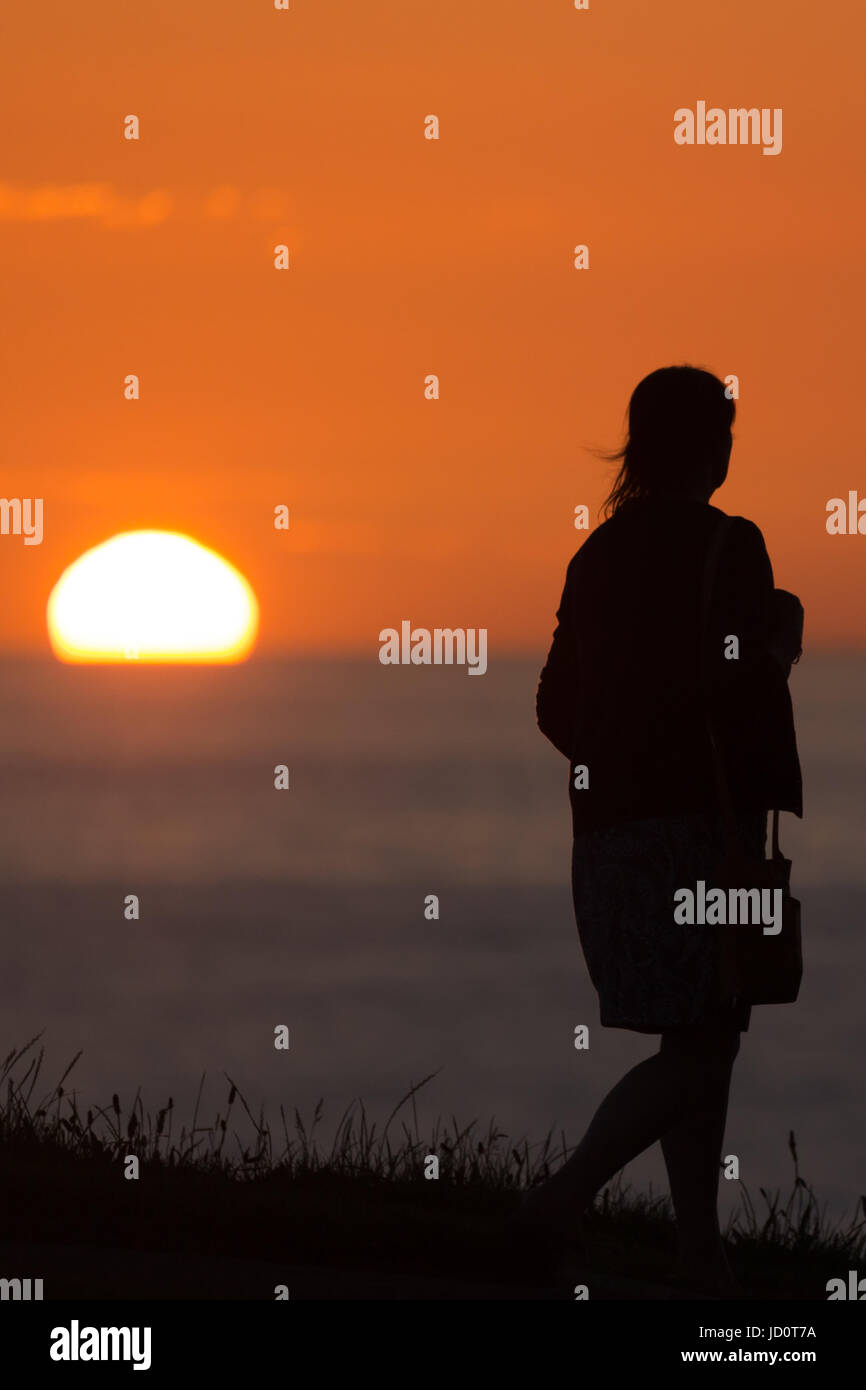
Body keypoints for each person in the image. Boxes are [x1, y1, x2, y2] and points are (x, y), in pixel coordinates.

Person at [525, 365, 803, 1296]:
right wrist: (779, 645)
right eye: (725, 434)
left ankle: (699, 1256)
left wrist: (615, 765)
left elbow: (555, 704)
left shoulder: (596, 555)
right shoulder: (732, 547)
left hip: (605, 835)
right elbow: (739, 688)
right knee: (706, 1042)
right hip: (701, 833)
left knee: (699, 1036)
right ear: (709, 446)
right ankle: (560, 1202)